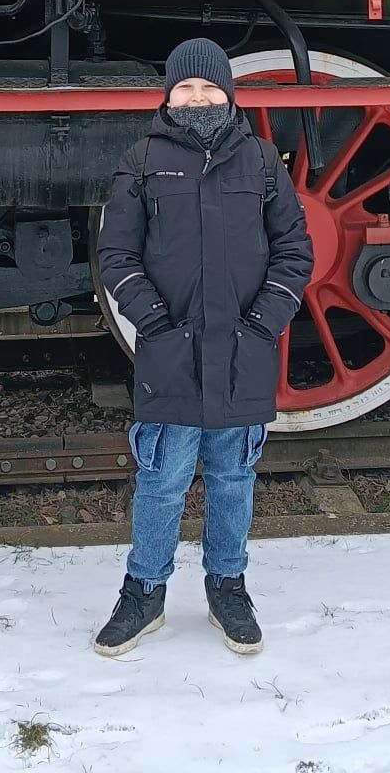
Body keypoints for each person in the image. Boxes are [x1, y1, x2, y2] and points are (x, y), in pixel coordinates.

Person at [90, 37, 314, 658]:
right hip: (171, 354)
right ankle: (144, 592)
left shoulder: (262, 162)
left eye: (209, 87)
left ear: (229, 93)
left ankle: (228, 587)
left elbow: (294, 250)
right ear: (169, 96)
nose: (197, 98)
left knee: (233, 478)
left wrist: (263, 323)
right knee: (161, 479)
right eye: (185, 88)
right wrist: (154, 324)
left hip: (243, 352)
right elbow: (117, 254)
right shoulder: (141, 160)